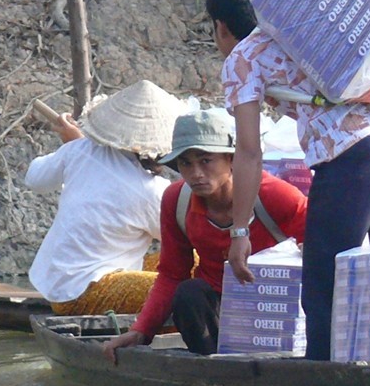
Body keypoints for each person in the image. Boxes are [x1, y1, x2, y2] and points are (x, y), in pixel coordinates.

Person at [205, 0, 370, 361]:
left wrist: (240, 232)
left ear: (222, 27)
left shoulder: (243, 56)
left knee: (324, 285)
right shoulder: (306, 31)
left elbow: (249, 152)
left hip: (354, 150)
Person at [102, 109, 307, 361]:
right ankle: (214, 367)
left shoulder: (274, 195)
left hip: (273, 308)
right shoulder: (177, 201)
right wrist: (141, 331)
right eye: (186, 163)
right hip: (217, 311)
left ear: (230, 160)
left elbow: (319, 248)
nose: (196, 173)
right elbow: (172, 274)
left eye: (205, 160)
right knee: (188, 293)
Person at [26, 79, 187, 315]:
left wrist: (75, 147)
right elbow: (181, 239)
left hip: (58, 283)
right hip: (82, 293)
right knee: (192, 284)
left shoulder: (80, 149)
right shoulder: (152, 191)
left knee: (193, 263)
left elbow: (35, 178)